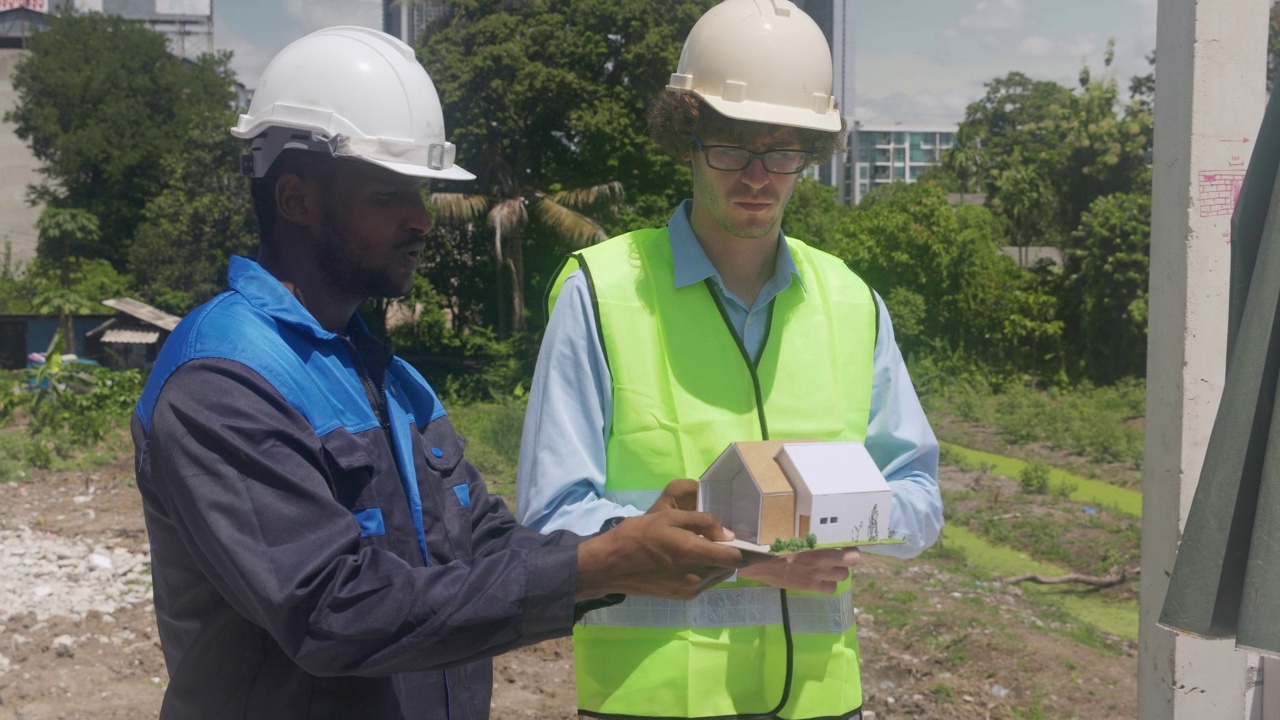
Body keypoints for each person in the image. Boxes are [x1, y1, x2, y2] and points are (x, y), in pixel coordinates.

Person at [131, 26, 749, 720]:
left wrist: (626, 548)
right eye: (389, 194)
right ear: (297, 200)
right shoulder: (223, 382)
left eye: (421, 193)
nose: (422, 219)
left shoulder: (390, 379)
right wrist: (599, 566)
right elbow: (333, 611)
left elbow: (485, 543)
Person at [516, 2, 945, 718]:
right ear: (688, 139)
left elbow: (918, 497)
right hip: (649, 704)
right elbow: (556, 519)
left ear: (809, 154)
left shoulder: (850, 300)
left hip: (821, 706)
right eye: (732, 146)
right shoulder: (604, 293)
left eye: (783, 151)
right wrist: (752, 554)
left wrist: (834, 522)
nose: (758, 174)